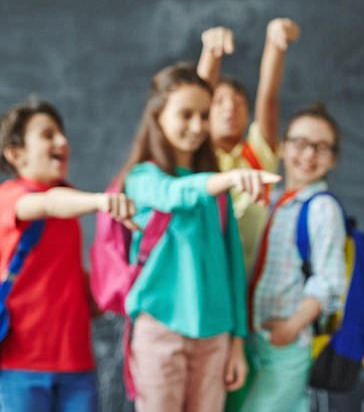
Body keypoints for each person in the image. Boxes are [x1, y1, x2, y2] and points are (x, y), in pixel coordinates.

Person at [118, 62, 279, 412]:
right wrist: (229, 179)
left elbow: (234, 268)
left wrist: (237, 340)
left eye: (204, 116)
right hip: (160, 329)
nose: (197, 126)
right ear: (159, 115)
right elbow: (174, 194)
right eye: (185, 114)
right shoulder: (143, 178)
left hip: (215, 336)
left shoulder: (216, 189)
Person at [0, 98, 136, 412]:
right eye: (47, 135)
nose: (62, 141)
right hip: (21, 365)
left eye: (62, 134)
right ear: (15, 154)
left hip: (76, 363)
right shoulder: (12, 196)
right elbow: (46, 204)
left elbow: (65, 274)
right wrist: (101, 202)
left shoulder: (70, 204)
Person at [242, 103, 347, 412]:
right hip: (253, 338)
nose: (309, 154)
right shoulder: (272, 200)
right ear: (283, 148)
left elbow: (329, 281)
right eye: (300, 143)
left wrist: (291, 327)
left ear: (333, 159)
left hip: (288, 343)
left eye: (321, 147)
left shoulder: (322, 208)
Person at [197, 17, 300, 272]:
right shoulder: (198, 154)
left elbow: (269, 95)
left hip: (250, 279)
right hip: (204, 273)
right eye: (219, 101)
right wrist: (211, 54)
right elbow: (195, 99)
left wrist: (276, 42)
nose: (230, 108)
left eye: (239, 102)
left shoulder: (257, 152)